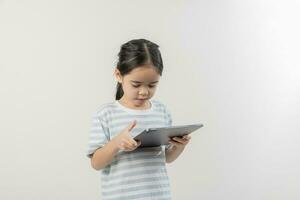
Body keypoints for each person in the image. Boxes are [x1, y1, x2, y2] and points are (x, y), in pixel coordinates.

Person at [87, 38, 191, 200]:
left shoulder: (161, 111)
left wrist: (179, 147)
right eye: (136, 84)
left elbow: (166, 158)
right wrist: (116, 143)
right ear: (118, 75)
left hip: (158, 195)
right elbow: (96, 163)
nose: (144, 92)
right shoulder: (106, 114)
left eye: (152, 85)